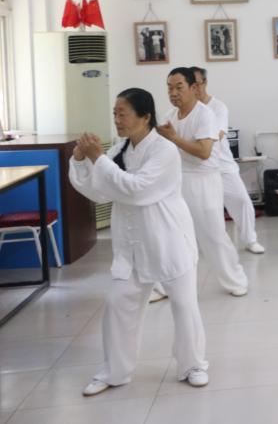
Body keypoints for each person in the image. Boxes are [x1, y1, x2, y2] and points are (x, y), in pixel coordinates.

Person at [69, 88, 209, 395]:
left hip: (169, 239)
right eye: (114, 114)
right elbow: (98, 191)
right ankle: (115, 372)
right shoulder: (120, 149)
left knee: (184, 305)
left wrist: (97, 158)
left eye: (123, 113)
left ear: (145, 117)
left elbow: (137, 190)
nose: (117, 119)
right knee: (118, 302)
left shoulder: (164, 150)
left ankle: (193, 365)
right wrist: (80, 160)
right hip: (132, 244)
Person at [157, 67, 249, 296]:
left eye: (179, 87)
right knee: (171, 236)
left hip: (203, 182)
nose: (173, 93)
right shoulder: (169, 116)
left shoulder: (205, 114)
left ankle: (235, 280)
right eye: (169, 88)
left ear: (194, 87)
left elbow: (204, 152)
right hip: (177, 182)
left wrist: (174, 138)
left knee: (213, 236)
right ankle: (166, 285)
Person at [191, 66, 265, 255]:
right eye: (190, 85)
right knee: (204, 209)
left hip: (222, 165)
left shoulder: (218, 107)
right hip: (197, 167)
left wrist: (198, 141)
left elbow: (218, 135)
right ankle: (202, 245)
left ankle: (250, 240)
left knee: (241, 200)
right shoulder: (186, 109)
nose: (194, 88)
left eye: (197, 84)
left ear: (205, 83)